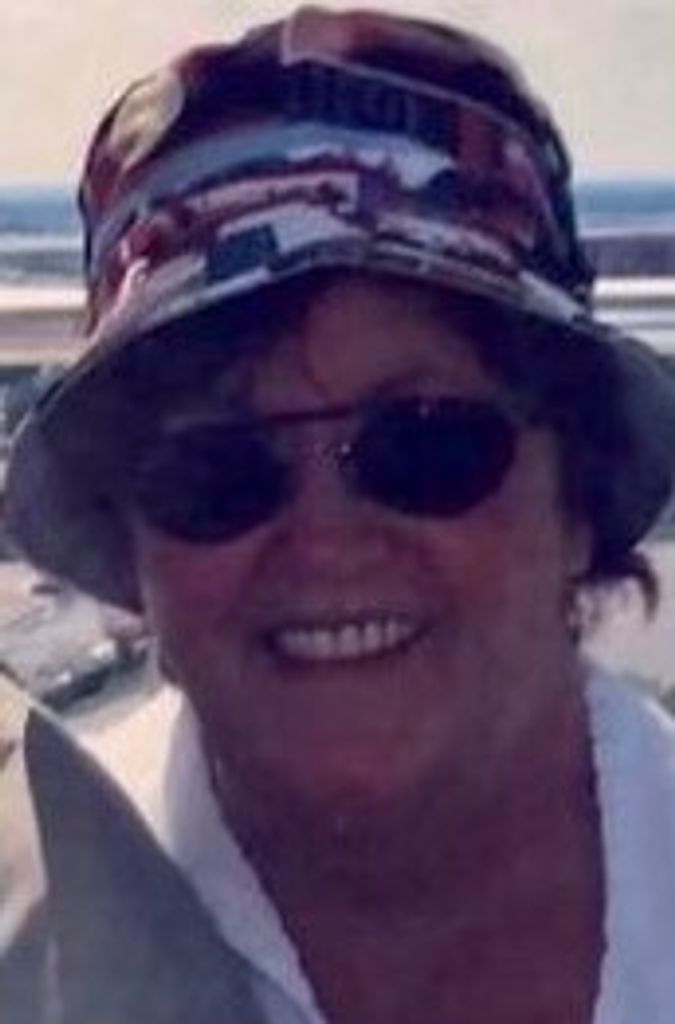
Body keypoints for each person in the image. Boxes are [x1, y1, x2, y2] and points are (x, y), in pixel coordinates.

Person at [3, 7, 675, 1023]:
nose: (324, 539)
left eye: (424, 443)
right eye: (219, 468)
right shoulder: (27, 940)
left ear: (575, 492)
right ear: (134, 546)